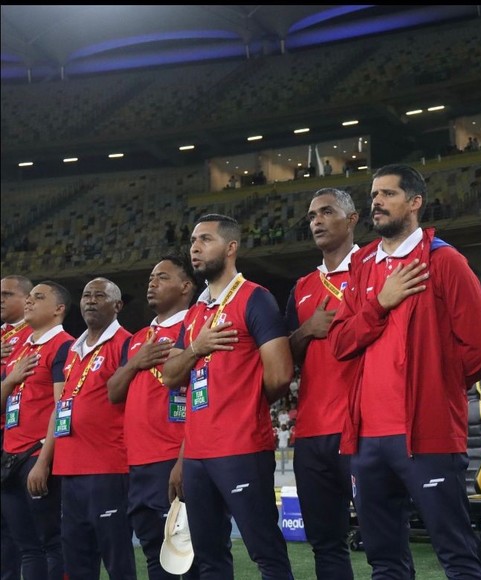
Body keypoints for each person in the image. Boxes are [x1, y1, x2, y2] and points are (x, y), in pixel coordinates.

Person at [329, 164, 481, 579]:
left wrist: (436, 392)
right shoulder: (362, 264)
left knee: (455, 552)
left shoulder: (446, 261)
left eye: (388, 194)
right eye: (374, 196)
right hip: (367, 439)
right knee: (383, 560)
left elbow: (479, 347)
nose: (377, 203)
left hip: (427, 434)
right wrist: (380, 303)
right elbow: (341, 343)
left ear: (415, 202)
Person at [162, 213, 295, 578]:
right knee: (207, 558)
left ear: (231, 247)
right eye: (192, 240)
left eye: (205, 239)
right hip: (199, 456)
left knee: (265, 551)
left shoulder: (256, 299)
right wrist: (196, 348)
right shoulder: (194, 314)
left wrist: (242, 405)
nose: (195, 247)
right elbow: (171, 377)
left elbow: (282, 374)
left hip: (242, 448)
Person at [106, 255, 200, 580]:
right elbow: (113, 392)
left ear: (186, 286)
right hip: (138, 463)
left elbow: (205, 397)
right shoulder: (136, 339)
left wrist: (185, 459)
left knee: (190, 558)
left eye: (162, 277)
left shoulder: (196, 327)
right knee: (153, 554)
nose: (152, 283)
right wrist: (135, 363)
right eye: (150, 278)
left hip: (175, 458)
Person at [284, 187, 360, 579]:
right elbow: (284, 356)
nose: (316, 220)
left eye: (326, 212)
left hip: (362, 426)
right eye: (312, 215)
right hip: (312, 433)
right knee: (326, 543)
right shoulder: (300, 288)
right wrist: (306, 331)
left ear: (352, 219)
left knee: (383, 537)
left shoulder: (374, 269)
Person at [52, 277, 137, 579]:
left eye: (99, 296)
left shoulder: (127, 343)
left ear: (118, 305)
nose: (90, 300)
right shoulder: (74, 350)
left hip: (108, 469)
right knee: (76, 560)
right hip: (70, 469)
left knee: (116, 559)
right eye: (86, 295)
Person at [0, 281, 73, 580]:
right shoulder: (20, 350)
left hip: (36, 454)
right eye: (28, 298)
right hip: (9, 454)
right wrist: (9, 379)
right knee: (26, 546)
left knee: (51, 543)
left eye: (37, 298)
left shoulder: (65, 345)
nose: (29, 303)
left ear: (58, 310)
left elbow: (62, 405)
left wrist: (44, 459)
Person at [0, 275, 32, 580]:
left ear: (27, 300)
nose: (0, 299)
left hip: (15, 439)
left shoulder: (34, 336)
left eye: (7, 294)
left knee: (15, 527)